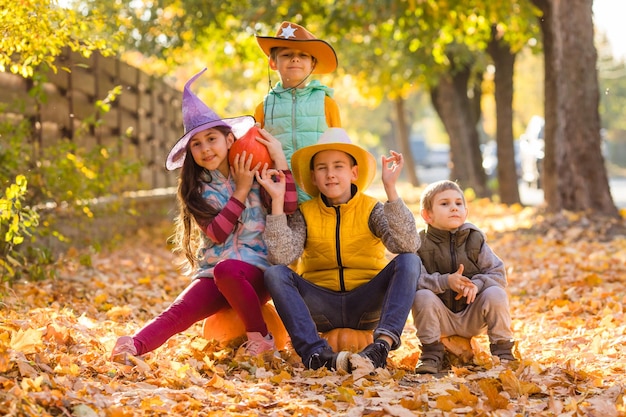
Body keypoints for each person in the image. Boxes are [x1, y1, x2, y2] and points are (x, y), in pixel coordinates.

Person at [110, 68, 297, 364]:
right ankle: (134, 345)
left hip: (256, 275)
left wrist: (279, 162)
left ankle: (260, 338)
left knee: (227, 270)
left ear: (228, 139)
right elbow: (217, 234)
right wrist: (240, 192)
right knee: (179, 311)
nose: (205, 148)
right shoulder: (197, 190)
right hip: (215, 275)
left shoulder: (253, 169)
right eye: (196, 144)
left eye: (211, 139)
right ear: (190, 152)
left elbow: (287, 205)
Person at [258, 127, 421, 372]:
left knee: (410, 260)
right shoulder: (306, 212)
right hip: (321, 305)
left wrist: (390, 189)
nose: (330, 174)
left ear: (354, 173)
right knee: (275, 273)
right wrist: (278, 203)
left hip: (366, 304)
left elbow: (407, 244)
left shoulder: (371, 209)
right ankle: (314, 354)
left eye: (338, 166)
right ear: (313, 177)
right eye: (322, 168)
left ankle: (381, 348)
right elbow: (281, 257)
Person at [412, 180, 516, 374]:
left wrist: (476, 285)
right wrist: (445, 281)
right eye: (444, 204)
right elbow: (414, 280)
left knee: (496, 293)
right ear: (428, 215)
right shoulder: (420, 243)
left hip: (471, 315)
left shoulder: (474, 238)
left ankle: (503, 351)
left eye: (458, 203)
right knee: (421, 296)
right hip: (439, 317)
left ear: (465, 212)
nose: (453, 208)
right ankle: (431, 353)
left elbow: (498, 274)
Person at [255, 21, 341, 203]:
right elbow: (257, 152)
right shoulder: (264, 107)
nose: (295, 59)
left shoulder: (326, 103)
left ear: (313, 64)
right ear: (273, 62)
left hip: (320, 196)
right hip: (280, 197)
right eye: (287, 54)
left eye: (303, 55)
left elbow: (339, 148)